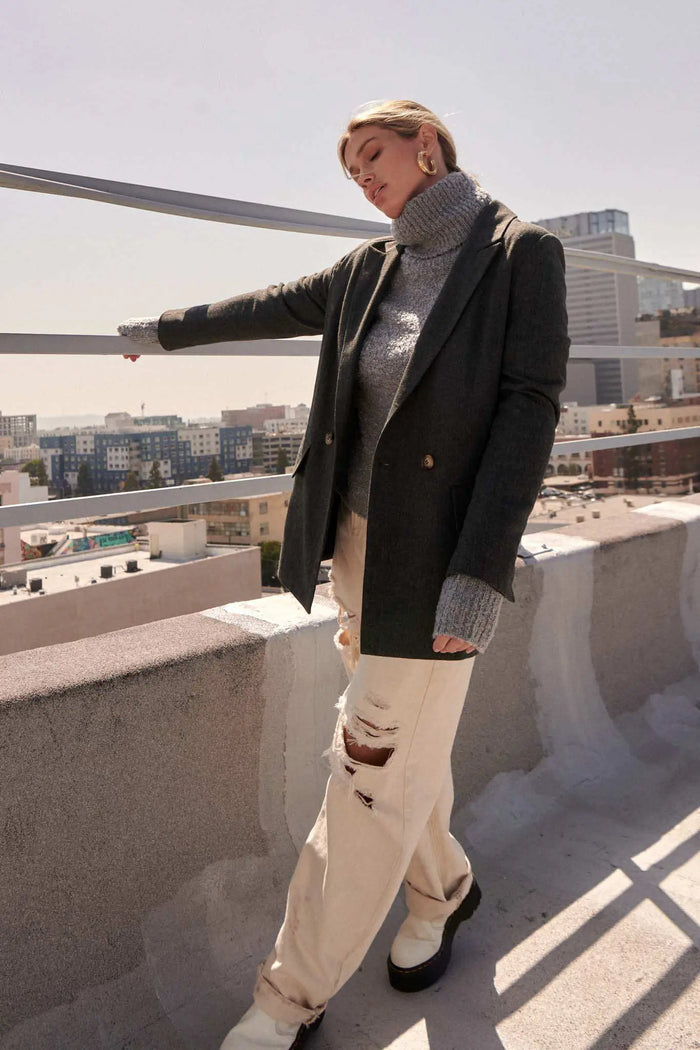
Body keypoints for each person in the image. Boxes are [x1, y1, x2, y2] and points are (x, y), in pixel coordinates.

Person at [119, 98, 570, 1050]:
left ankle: (290, 998)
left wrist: (479, 573)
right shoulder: (371, 266)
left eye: (373, 154)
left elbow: (529, 413)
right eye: (349, 169)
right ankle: (443, 891)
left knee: (367, 767)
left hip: (442, 562)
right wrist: (159, 330)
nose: (363, 177)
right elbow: (266, 306)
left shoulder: (519, 254)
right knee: (398, 753)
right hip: (360, 546)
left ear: (426, 145)